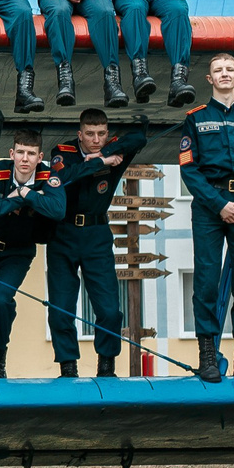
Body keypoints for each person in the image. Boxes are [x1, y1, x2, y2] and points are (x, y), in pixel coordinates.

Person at [179, 51, 234, 382]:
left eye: (230, 69)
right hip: (209, 207)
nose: (225, 74)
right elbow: (189, 168)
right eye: (218, 70)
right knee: (206, 281)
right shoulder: (196, 118)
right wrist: (219, 204)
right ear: (210, 79)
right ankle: (206, 356)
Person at [43, 108, 146, 376]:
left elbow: (139, 137)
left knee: (110, 309)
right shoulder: (62, 152)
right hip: (63, 234)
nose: (96, 139)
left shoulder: (113, 151)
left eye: (101, 134)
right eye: (90, 134)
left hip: (97, 234)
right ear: (80, 135)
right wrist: (100, 162)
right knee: (60, 309)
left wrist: (109, 152)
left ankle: (107, 365)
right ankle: (68, 366)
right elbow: (64, 178)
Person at [0, 128, 64, 378]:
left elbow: (58, 210)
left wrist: (22, 193)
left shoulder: (49, 177)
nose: (25, 159)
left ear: (40, 157)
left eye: (31, 153)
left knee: (0, 301)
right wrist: (26, 198)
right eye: (20, 152)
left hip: (18, 253)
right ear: (12, 153)